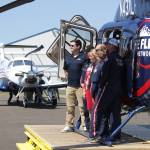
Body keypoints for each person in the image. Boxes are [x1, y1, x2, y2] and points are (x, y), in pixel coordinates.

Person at [90, 38, 125, 142]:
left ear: (112, 46)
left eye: (107, 45)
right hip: (118, 89)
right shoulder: (121, 59)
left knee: (98, 110)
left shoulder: (108, 59)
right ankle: (116, 135)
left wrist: (100, 86)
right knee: (115, 113)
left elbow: (104, 75)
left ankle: (96, 134)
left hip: (107, 88)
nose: (106, 46)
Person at [61, 39, 87, 132]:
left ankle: (84, 125)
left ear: (78, 46)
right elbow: (65, 69)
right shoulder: (68, 57)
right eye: (70, 46)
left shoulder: (84, 57)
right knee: (70, 107)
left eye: (72, 46)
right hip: (70, 86)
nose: (70, 47)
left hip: (80, 87)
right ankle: (69, 125)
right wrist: (68, 77)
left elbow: (87, 70)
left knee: (82, 107)